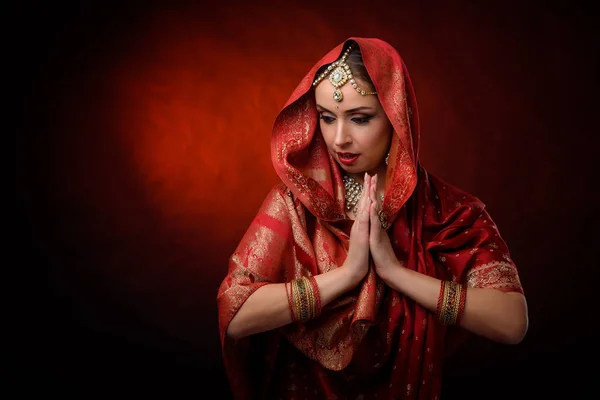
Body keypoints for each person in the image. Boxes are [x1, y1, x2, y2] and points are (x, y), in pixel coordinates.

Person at [216, 37, 528, 399]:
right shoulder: (297, 202)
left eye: (360, 119)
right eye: (328, 118)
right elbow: (234, 316)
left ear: (397, 116)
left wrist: (396, 273)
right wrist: (347, 276)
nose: (339, 139)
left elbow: (512, 321)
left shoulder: (448, 212)